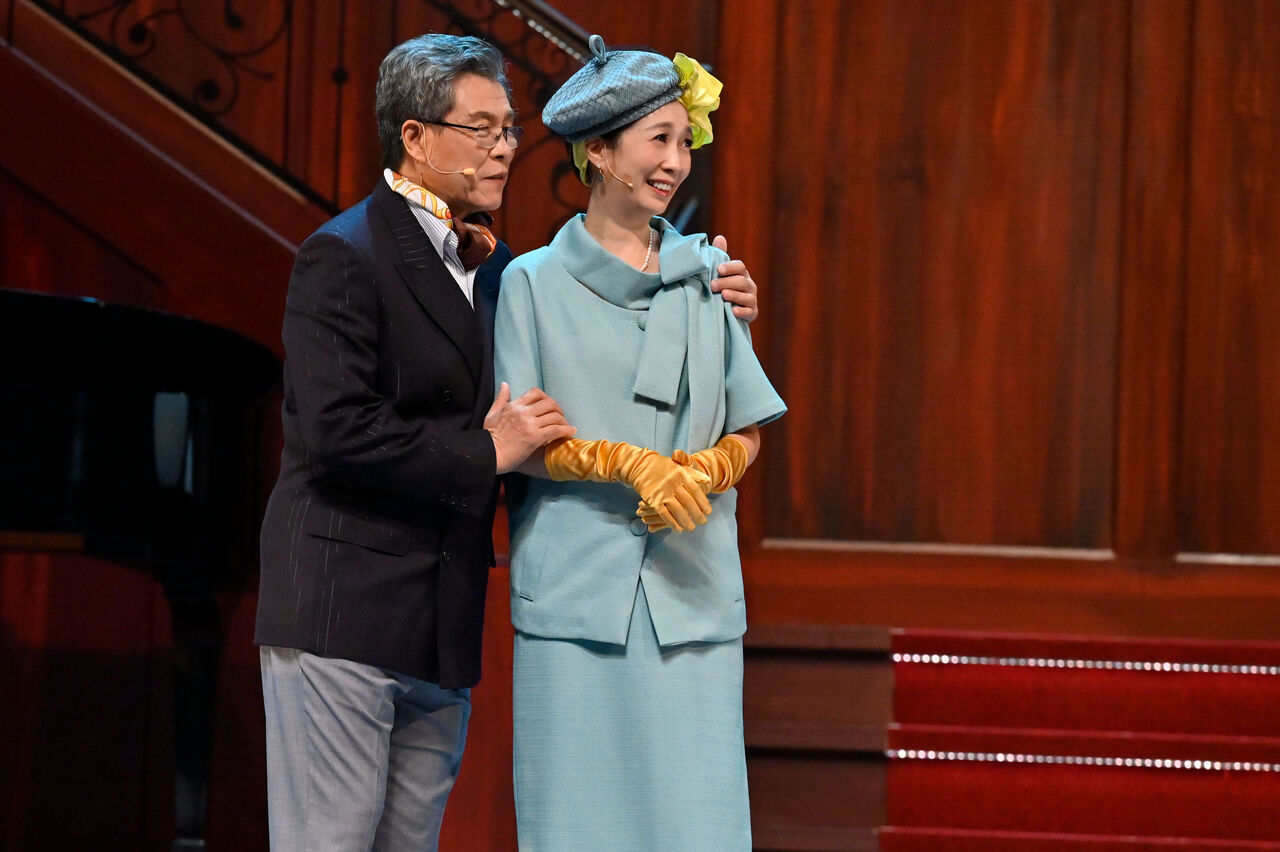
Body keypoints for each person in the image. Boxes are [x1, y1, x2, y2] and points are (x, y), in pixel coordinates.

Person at [253, 33, 762, 852]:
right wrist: (491, 453)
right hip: (345, 605)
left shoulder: (499, 269)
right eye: (480, 129)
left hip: (437, 615)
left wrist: (723, 297)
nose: (504, 148)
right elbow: (336, 431)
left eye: (508, 129)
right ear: (416, 137)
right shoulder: (344, 253)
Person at [494, 35, 786, 851]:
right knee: (575, 827)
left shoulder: (710, 276)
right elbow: (521, 437)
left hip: (692, 594)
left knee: (697, 827)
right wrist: (626, 463)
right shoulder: (530, 284)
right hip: (572, 600)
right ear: (600, 152)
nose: (676, 162)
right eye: (659, 139)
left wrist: (710, 466)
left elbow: (748, 423)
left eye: (684, 141)